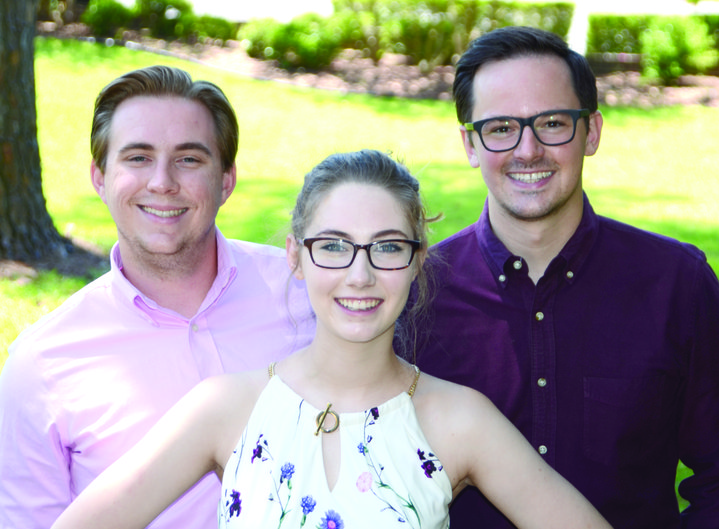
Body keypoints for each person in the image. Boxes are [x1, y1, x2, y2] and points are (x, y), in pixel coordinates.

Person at [51, 149, 612, 529]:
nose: (360, 276)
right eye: (334, 246)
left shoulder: (458, 420)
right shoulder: (227, 409)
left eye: (388, 247)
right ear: (296, 256)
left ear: (418, 261)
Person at [410, 26, 719, 528]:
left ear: (592, 132)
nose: (528, 150)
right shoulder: (415, 294)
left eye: (553, 123)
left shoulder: (676, 285)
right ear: (470, 144)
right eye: (500, 128)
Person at [0, 65, 314, 529]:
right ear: (100, 177)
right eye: (138, 158)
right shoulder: (42, 363)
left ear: (225, 180)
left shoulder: (306, 295)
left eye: (189, 159)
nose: (162, 182)